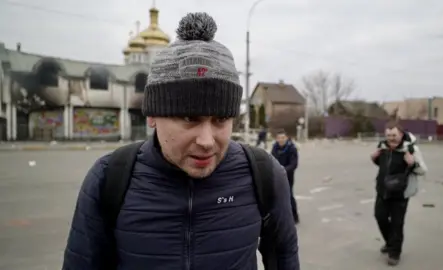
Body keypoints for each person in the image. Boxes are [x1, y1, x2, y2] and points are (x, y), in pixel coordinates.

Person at [62, 12, 299, 270]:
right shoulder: (109, 178)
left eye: (221, 119)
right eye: (189, 118)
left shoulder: (264, 174)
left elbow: (284, 257)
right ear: (153, 116)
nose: (207, 141)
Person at [371, 121, 427, 266]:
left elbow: (423, 170)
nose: (391, 138)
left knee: (397, 223)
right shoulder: (382, 146)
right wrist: (374, 158)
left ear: (401, 134)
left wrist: (412, 163)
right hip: (382, 190)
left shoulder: (411, 149)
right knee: (380, 217)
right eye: (388, 135)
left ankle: (394, 253)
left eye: (394, 135)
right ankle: (390, 242)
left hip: (400, 193)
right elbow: (384, 165)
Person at [271, 129, 299, 224]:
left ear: (286, 138)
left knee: (289, 195)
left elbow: (294, 164)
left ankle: (295, 216)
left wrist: (284, 170)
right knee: (276, 196)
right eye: (279, 138)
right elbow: (271, 160)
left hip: (288, 176)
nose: (281, 140)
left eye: (283, 138)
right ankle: (279, 217)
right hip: (277, 175)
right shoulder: (275, 147)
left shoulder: (291, 148)